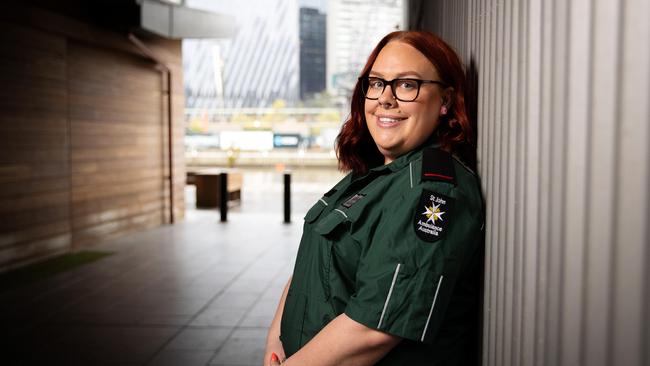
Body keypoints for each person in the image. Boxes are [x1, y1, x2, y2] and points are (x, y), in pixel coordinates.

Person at [264, 30, 484, 366]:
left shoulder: (433, 191)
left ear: (445, 102)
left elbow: (373, 330)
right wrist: (275, 342)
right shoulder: (371, 177)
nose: (385, 98)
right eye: (377, 82)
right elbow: (314, 267)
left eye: (407, 84)